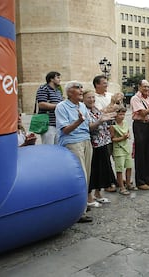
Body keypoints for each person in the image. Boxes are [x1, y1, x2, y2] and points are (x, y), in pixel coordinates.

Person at [55, 81, 112, 223]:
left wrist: (100, 120)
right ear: (69, 92)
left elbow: (89, 126)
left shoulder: (81, 106)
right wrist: (79, 121)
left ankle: (82, 205)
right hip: (73, 142)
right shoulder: (61, 107)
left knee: (86, 176)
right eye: (77, 88)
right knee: (80, 176)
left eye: (81, 88)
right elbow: (65, 130)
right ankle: (78, 211)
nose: (81, 90)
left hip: (86, 141)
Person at [83, 89, 117, 207]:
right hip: (93, 144)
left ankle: (98, 194)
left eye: (93, 97)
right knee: (93, 171)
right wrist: (100, 120)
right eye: (89, 98)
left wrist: (108, 118)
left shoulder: (95, 109)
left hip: (103, 142)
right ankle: (89, 197)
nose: (92, 100)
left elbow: (103, 118)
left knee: (102, 169)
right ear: (83, 99)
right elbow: (89, 127)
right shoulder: (84, 111)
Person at [110, 107, 136, 194]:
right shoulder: (113, 126)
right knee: (120, 168)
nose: (122, 116)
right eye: (120, 114)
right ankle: (121, 186)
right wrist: (122, 138)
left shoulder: (125, 122)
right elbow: (112, 139)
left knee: (129, 166)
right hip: (118, 148)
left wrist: (127, 136)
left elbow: (128, 132)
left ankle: (128, 183)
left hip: (126, 147)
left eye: (123, 114)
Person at [35, 71, 63, 144]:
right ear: (51, 79)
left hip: (57, 124)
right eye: (58, 77)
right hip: (47, 124)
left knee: (58, 148)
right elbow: (41, 104)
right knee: (49, 148)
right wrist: (59, 106)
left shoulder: (58, 91)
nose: (60, 79)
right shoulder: (44, 88)